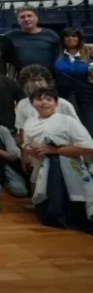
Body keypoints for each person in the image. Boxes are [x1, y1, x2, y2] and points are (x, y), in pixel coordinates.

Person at [22, 87, 93, 233]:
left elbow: (88, 147)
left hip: (68, 170)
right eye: (39, 99)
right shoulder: (29, 122)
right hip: (41, 168)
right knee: (44, 210)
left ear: (56, 103)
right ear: (32, 103)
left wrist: (53, 150)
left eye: (49, 99)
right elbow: (26, 142)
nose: (44, 103)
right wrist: (29, 149)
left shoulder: (67, 121)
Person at [14, 65, 79, 140]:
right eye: (32, 80)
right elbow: (22, 129)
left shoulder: (63, 104)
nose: (36, 84)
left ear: (47, 82)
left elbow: (77, 129)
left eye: (40, 80)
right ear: (26, 84)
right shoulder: (23, 104)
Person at [53, 28, 93, 134]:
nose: (71, 38)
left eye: (74, 36)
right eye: (67, 36)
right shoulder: (55, 55)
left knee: (89, 127)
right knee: (68, 129)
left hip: (87, 97)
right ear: (63, 39)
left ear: (79, 38)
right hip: (63, 97)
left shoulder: (89, 54)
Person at [6, 6, 59, 73]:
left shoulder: (50, 34)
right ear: (18, 20)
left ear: (36, 18)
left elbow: (60, 54)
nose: (26, 19)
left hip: (46, 79)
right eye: (22, 17)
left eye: (29, 16)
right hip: (22, 79)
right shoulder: (11, 36)